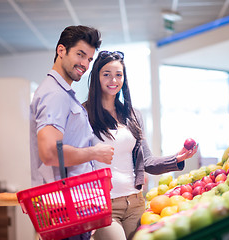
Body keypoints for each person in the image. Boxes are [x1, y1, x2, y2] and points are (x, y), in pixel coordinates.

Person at [83, 50, 198, 240]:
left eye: (118, 74)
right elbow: (77, 163)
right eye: (106, 74)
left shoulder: (133, 115)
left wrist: (177, 158)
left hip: (136, 203)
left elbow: (148, 162)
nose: (113, 80)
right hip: (104, 205)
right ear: (96, 77)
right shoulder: (84, 114)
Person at [29, 26, 114, 240]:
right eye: (80, 54)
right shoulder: (54, 94)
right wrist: (94, 153)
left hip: (74, 207)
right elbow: (50, 153)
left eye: (89, 59)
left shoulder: (64, 94)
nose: (85, 64)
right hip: (63, 209)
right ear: (61, 51)